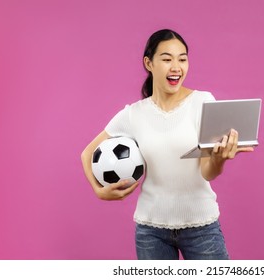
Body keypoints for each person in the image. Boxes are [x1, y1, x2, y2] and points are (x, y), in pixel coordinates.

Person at [81, 29, 254, 260]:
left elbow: (207, 172)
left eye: (182, 59)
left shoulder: (203, 102)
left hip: (201, 228)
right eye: (167, 59)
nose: (176, 67)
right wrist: (99, 191)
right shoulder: (134, 114)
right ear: (149, 63)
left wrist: (218, 158)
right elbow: (87, 153)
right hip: (151, 231)